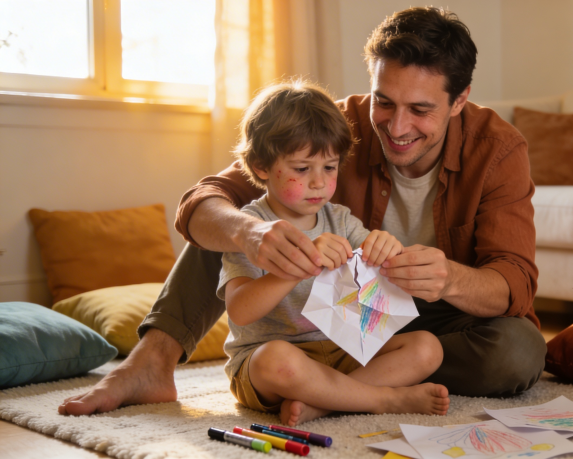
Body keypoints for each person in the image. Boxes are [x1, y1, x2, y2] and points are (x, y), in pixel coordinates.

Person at [59, 6, 546, 417]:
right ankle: (151, 361)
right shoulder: (330, 127)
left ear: (459, 100)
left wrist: (449, 279)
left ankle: (328, 393)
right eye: (384, 101)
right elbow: (202, 201)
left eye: (420, 110)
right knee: (237, 218)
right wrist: (252, 235)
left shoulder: (498, 149)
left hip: (430, 322)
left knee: (519, 352)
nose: (396, 126)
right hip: (328, 324)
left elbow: (515, 281)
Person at [217, 80, 449, 426]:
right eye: (301, 168)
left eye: (329, 167)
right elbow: (240, 310)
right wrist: (299, 264)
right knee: (277, 360)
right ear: (262, 166)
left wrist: (388, 247)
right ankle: (380, 399)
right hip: (272, 361)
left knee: (428, 347)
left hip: (341, 351)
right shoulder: (253, 226)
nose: (318, 182)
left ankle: (324, 403)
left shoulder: (338, 218)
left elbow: (381, 260)